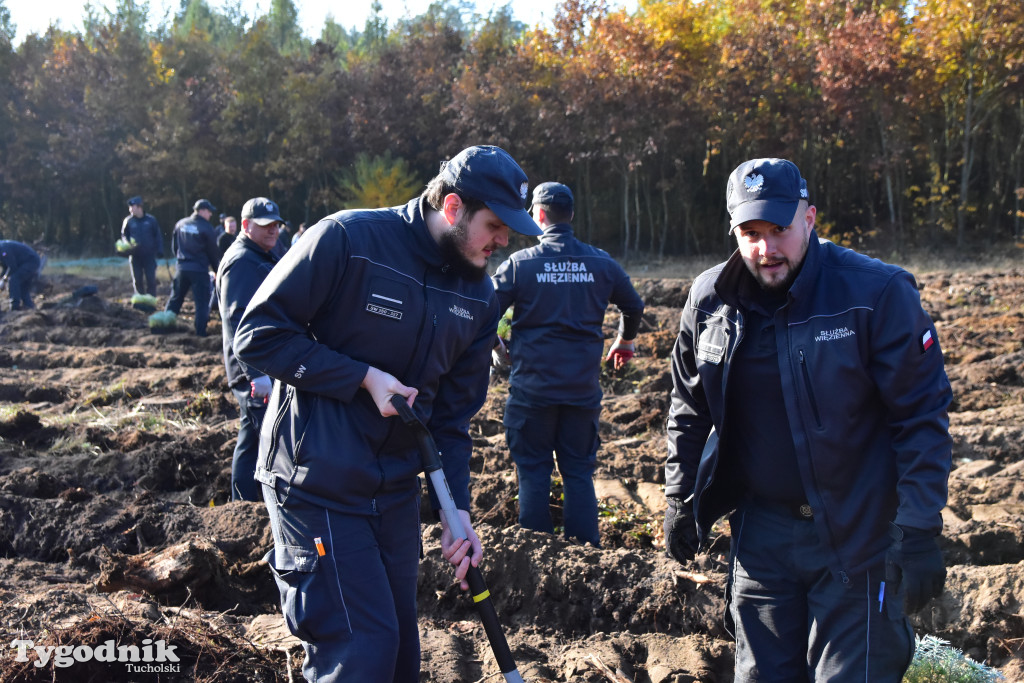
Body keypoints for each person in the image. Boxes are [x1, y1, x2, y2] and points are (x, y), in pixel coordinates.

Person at [233, 145, 543, 683]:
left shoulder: (480, 297)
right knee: (361, 653)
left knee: (399, 658)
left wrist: (456, 510)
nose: (502, 243)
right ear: (452, 207)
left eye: (509, 233)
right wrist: (361, 378)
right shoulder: (349, 241)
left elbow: (450, 421)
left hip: (393, 492)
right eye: (494, 226)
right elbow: (257, 336)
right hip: (316, 481)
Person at [662, 158, 952, 682]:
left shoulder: (875, 295)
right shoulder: (710, 301)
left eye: (780, 230)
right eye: (751, 233)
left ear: (810, 219)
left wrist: (919, 528)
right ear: (733, 229)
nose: (766, 249)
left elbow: (921, 416)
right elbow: (688, 407)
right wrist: (680, 500)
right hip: (761, 537)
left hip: (858, 533)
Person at [491, 182, 644, 547]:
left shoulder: (520, 265)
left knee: (533, 473)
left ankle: (535, 557)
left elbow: (484, 312)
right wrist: (625, 341)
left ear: (538, 215)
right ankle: (586, 554)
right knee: (577, 473)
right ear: (571, 215)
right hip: (581, 393)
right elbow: (633, 306)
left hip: (532, 393)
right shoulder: (601, 262)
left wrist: (497, 346)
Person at [216, 199, 281, 502]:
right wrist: (255, 373)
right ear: (245, 225)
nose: (273, 230)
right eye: (265, 225)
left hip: (267, 361)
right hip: (253, 367)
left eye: (276, 224)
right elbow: (237, 319)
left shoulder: (265, 254)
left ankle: (243, 500)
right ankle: (244, 502)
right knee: (260, 434)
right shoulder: (242, 261)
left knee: (253, 432)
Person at [165, 198, 220, 337]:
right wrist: (217, 270)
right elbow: (212, 252)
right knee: (201, 302)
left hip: (182, 269)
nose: (211, 215)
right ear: (201, 211)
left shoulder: (180, 224)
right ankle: (200, 332)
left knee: (175, 299)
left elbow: (174, 248)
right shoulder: (207, 228)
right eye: (209, 211)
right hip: (199, 270)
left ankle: (165, 326)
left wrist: (182, 260)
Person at [121, 196, 164, 297]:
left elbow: (158, 236)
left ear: (139, 207)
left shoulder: (151, 220)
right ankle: (140, 301)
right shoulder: (128, 221)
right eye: (130, 207)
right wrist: (127, 246)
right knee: (138, 280)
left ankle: (151, 301)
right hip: (135, 256)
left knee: (151, 279)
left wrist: (160, 250)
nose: (130, 209)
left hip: (149, 255)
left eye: (132, 207)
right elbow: (124, 236)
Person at [0, 240, 42, 310]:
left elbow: (12, 267)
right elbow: (6, 267)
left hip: (31, 261)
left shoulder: (3, 250)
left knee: (14, 279)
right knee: (23, 288)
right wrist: (1, 277)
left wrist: (4, 280)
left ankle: (14, 306)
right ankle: (29, 307)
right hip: (28, 261)